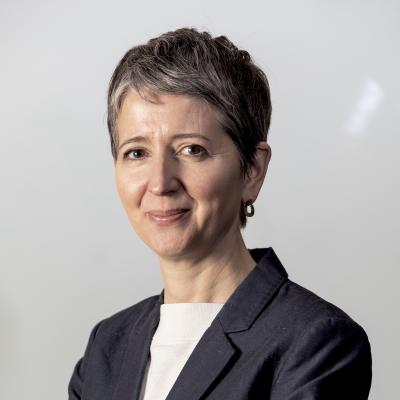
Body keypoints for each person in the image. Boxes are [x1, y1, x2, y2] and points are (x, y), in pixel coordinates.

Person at [68, 27, 372, 400]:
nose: (160, 182)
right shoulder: (106, 348)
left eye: (192, 149)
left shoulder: (315, 342)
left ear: (252, 170)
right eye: (137, 153)